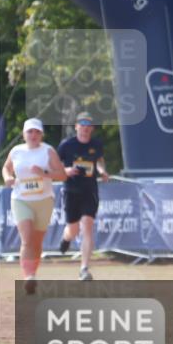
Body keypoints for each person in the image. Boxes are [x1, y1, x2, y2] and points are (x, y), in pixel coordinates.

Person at [1, 118, 67, 294]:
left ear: (41, 134)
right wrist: (7, 177)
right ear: (24, 135)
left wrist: (44, 173)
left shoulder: (48, 151)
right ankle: (28, 276)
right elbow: (6, 168)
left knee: (37, 242)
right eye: (30, 131)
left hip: (44, 201)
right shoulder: (16, 151)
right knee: (27, 238)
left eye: (37, 132)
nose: (33, 135)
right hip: (21, 199)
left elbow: (62, 175)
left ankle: (33, 273)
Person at [57, 111, 109, 281]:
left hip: (89, 190)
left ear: (92, 128)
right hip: (71, 191)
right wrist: (65, 170)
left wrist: (102, 171)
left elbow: (99, 160)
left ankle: (84, 268)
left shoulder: (97, 144)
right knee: (73, 229)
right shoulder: (66, 145)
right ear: (76, 126)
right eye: (82, 124)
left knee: (87, 225)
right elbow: (54, 166)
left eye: (88, 125)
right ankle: (66, 239)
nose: (85, 128)